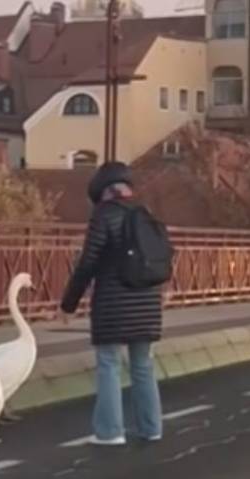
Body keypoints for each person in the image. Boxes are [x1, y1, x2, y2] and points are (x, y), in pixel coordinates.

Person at [59, 161, 164, 446]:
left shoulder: (104, 215)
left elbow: (88, 262)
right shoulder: (146, 213)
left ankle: (110, 432)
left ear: (103, 191)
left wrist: (68, 303)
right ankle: (151, 428)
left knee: (109, 364)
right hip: (147, 303)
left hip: (113, 305)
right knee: (143, 366)